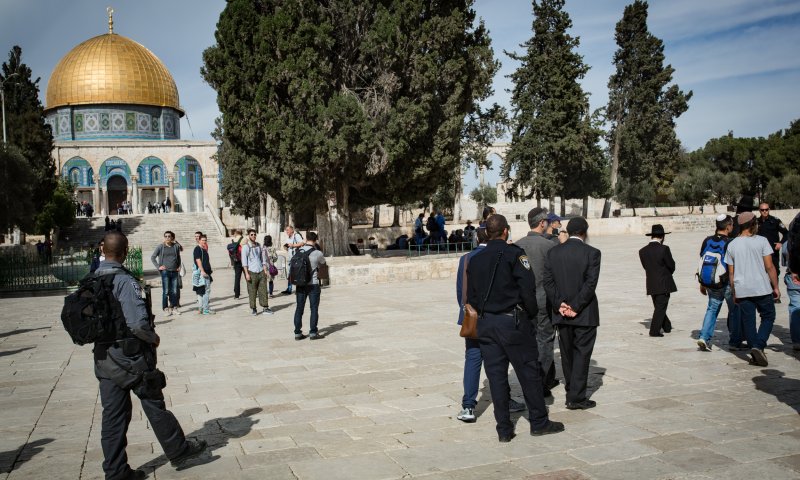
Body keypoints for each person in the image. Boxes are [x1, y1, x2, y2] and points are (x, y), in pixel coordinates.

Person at [92, 231, 206, 479]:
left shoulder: (92, 278)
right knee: (154, 403)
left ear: (103, 251)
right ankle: (178, 450)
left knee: (112, 416)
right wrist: (153, 338)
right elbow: (137, 324)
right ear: (124, 252)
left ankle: (115, 471)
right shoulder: (124, 281)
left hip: (104, 359)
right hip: (130, 358)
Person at [467, 214, 564, 441]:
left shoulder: (476, 259)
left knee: (496, 377)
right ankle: (538, 422)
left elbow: (471, 296)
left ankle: (504, 429)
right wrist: (529, 316)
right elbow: (527, 291)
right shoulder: (515, 255)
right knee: (529, 372)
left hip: (486, 325)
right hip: (512, 322)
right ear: (506, 231)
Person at [455, 227, 526, 423]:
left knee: (473, 359)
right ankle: (506, 400)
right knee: (500, 361)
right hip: (499, 317)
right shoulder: (505, 253)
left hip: (474, 317)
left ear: (477, 238)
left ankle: (468, 406)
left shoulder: (467, 258)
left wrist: (467, 313)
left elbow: (462, 291)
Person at [543, 217, 600, 410]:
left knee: (567, 354)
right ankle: (576, 397)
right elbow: (590, 284)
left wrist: (560, 305)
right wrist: (575, 306)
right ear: (584, 232)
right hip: (584, 313)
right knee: (582, 354)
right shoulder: (592, 253)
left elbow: (548, 282)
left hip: (561, 313)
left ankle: (571, 389)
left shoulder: (553, 253)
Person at [725, 211, 780, 366]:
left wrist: (734, 292)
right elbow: (769, 267)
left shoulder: (732, 244)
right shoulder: (762, 241)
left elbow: (731, 273)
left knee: (748, 321)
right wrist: (776, 287)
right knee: (768, 317)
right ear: (753, 224)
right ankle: (758, 345)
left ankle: (755, 350)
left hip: (742, 289)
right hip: (761, 287)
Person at [515, 207, 559, 395]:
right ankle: (541, 383)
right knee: (545, 341)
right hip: (543, 302)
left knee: (528, 341)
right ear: (542, 223)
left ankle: (533, 380)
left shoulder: (517, 246)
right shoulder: (549, 247)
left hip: (523, 303)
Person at [696, 215, 735, 351]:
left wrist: (703, 283)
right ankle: (735, 341)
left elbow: (702, 261)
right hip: (727, 283)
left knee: (712, 309)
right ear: (728, 226)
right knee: (734, 310)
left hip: (711, 282)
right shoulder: (730, 242)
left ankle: (704, 337)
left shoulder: (707, 240)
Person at [639, 224, 677, 337]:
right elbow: (671, 265)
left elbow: (646, 266)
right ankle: (654, 331)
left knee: (659, 306)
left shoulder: (642, 251)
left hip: (651, 283)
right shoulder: (664, 249)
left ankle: (667, 326)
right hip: (663, 283)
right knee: (660, 307)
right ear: (662, 236)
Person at [293, 232, 326, 340]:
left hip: (300, 284)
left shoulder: (298, 251)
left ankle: (297, 333)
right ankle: (313, 332)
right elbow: (323, 263)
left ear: (306, 239)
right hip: (313, 284)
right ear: (315, 240)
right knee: (314, 308)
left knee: (299, 308)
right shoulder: (317, 253)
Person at [756, 202, 788, 290]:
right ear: (759, 211)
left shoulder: (775, 221)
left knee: (775, 271)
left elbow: (786, 233)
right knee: (760, 272)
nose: (764, 211)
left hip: (773, 251)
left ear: (769, 210)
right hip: (759, 252)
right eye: (762, 210)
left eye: (766, 209)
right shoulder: (756, 222)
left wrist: (780, 243)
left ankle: (775, 291)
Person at [242, 229, 274, 316]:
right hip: (251, 271)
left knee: (263, 290)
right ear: (248, 236)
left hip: (261, 271)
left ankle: (265, 307)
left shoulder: (259, 246)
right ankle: (254, 309)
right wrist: (246, 274)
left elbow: (262, 259)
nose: (253, 236)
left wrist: (265, 270)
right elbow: (244, 262)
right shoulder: (246, 247)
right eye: (251, 235)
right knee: (252, 291)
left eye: (254, 234)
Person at [151, 230, 183, 316]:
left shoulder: (175, 246)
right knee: (166, 291)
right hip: (165, 272)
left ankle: (174, 307)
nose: (167, 238)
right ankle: (165, 308)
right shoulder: (160, 247)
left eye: (169, 236)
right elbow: (153, 257)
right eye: (166, 236)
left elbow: (179, 257)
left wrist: (179, 265)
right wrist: (159, 267)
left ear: (172, 237)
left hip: (175, 271)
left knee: (175, 291)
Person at [781, 212, 800, 350]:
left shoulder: (788, 243)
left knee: (795, 308)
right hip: (794, 276)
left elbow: (783, 261)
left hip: (793, 275)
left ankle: (797, 341)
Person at [193, 234, 215, 315]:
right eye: (202, 240)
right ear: (199, 240)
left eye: (205, 240)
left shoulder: (204, 249)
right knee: (206, 291)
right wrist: (202, 271)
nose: (204, 241)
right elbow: (198, 260)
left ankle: (202, 308)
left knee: (203, 291)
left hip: (207, 272)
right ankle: (206, 309)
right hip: (204, 272)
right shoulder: (197, 249)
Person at [281, 226, 304, 295]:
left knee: (296, 274)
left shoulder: (296, 236)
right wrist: (286, 247)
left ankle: (298, 289)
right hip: (290, 258)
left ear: (292, 230)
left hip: (296, 258)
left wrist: (293, 245)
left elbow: (302, 243)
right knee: (290, 274)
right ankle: (289, 289)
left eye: (288, 230)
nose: (287, 231)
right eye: (286, 230)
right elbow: (289, 246)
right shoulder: (288, 238)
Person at [229, 229, 244, 299]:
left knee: (237, 278)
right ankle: (252, 292)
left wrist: (232, 263)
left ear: (236, 233)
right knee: (248, 277)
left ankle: (236, 295)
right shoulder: (244, 239)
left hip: (236, 261)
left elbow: (230, 253)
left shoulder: (233, 240)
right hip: (244, 261)